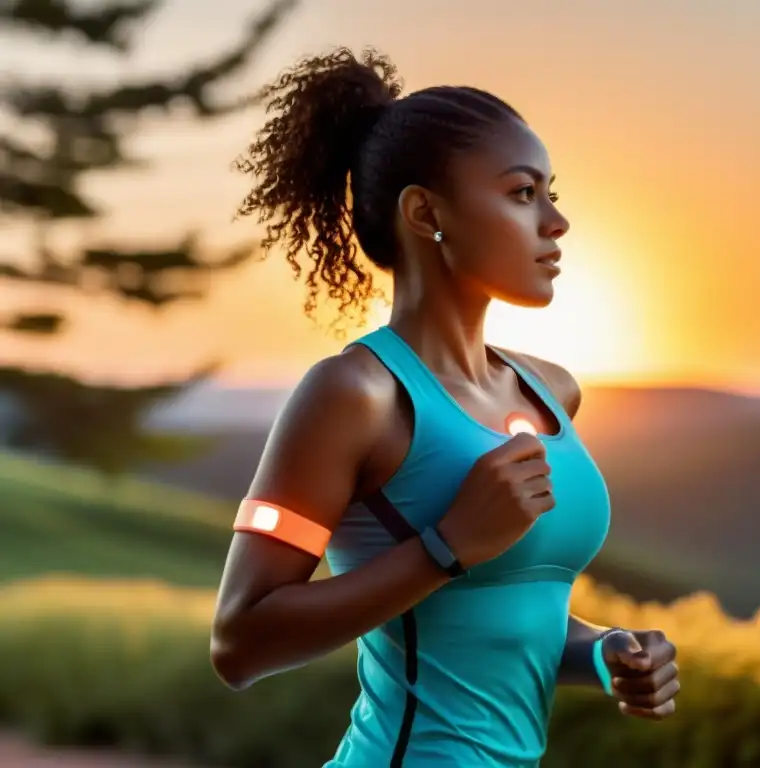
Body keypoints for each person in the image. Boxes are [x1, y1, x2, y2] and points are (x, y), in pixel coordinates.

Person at [209, 46, 680, 768]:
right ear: (426, 211)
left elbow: (493, 625)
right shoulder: (355, 396)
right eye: (523, 193)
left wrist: (606, 650)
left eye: (551, 192)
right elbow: (240, 644)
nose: (556, 221)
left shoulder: (552, 392)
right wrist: (448, 545)